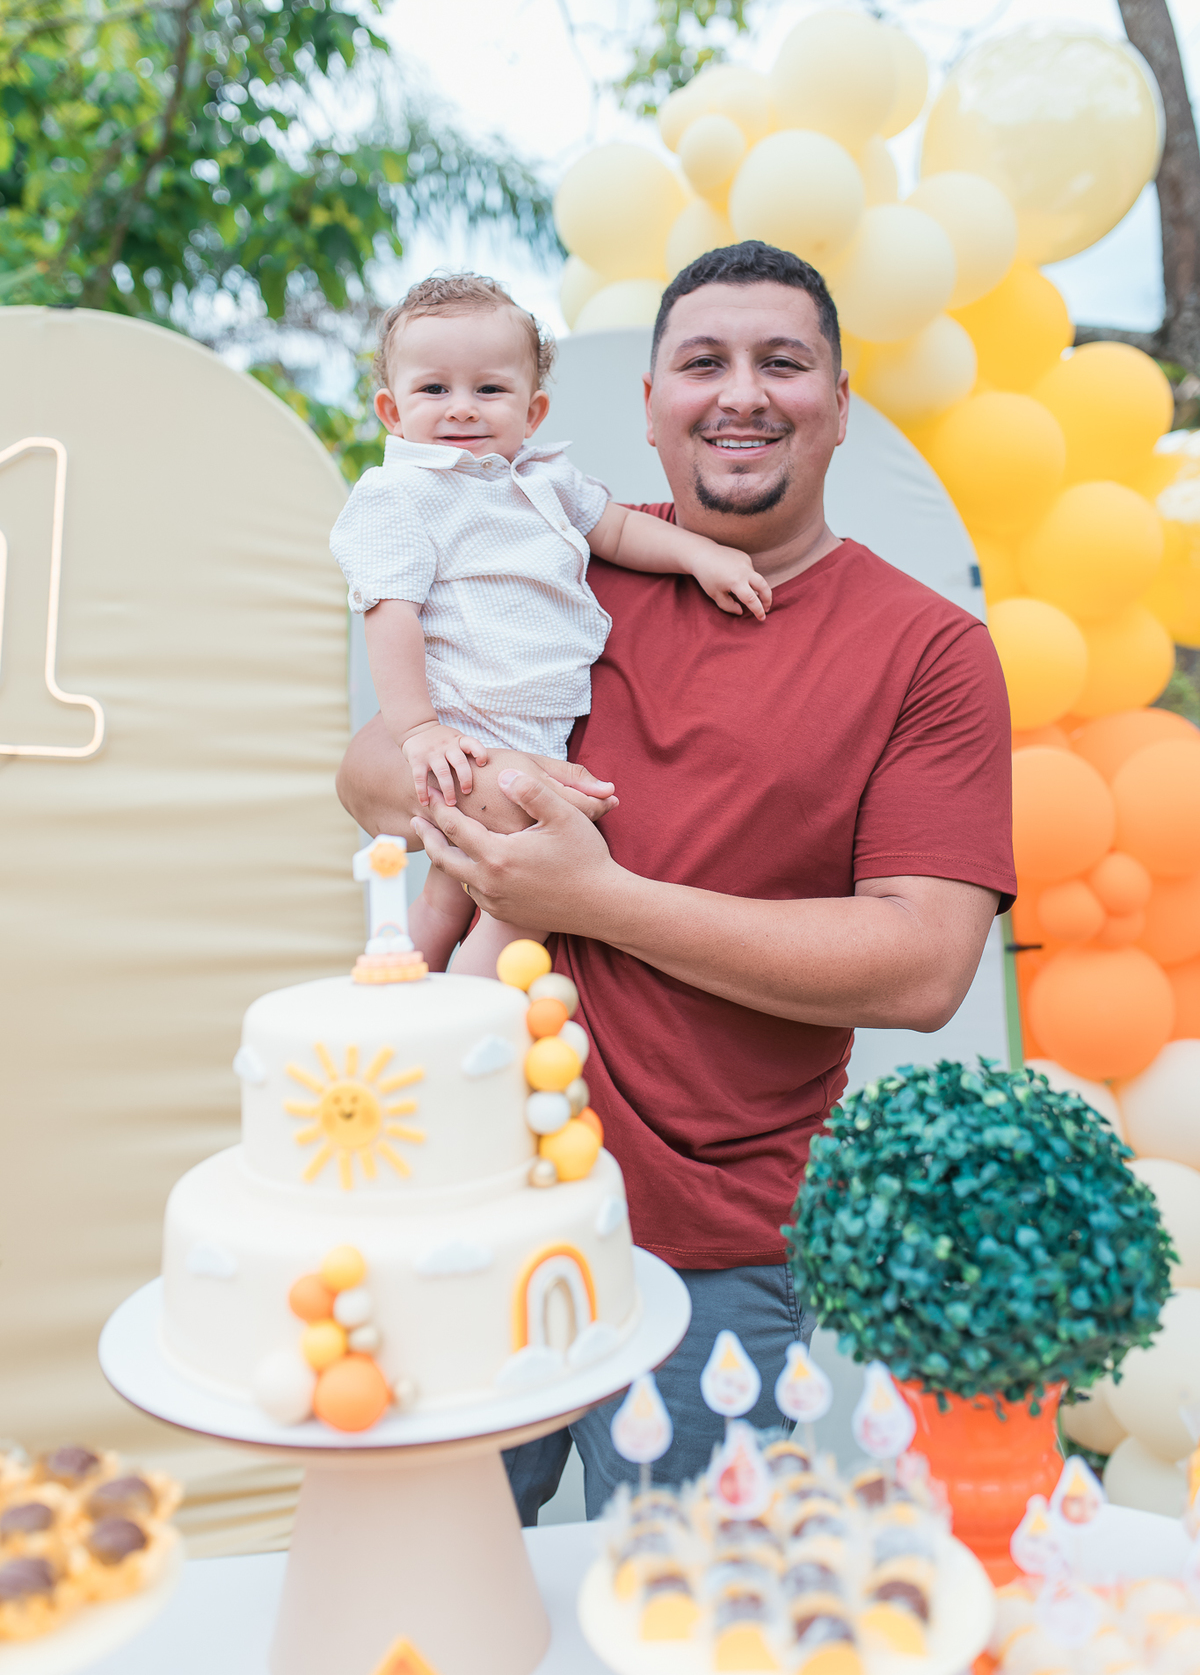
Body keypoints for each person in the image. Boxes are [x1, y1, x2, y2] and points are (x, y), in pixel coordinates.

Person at [335, 241, 1017, 1519]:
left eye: (783, 363)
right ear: (649, 406)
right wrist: (489, 783)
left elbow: (924, 968)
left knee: (688, 1596)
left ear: (840, 405)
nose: (741, 393)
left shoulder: (929, 653)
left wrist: (595, 901)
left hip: (710, 1246)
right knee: (436, 1585)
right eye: (704, 363)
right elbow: (370, 771)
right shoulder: (551, 557)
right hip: (468, 1203)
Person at [330, 271, 771, 977]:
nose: (462, 408)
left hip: (536, 723)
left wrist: (700, 554)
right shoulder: (400, 495)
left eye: (489, 389)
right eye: (434, 389)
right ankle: (469, 1007)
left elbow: (616, 531)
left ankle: (402, 983)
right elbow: (390, 611)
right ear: (392, 410)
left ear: (532, 410)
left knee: (454, 887)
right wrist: (418, 730)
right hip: (467, 725)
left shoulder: (543, 479)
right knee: (523, 893)